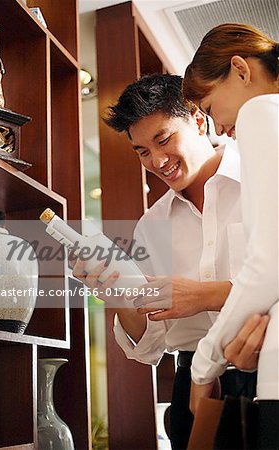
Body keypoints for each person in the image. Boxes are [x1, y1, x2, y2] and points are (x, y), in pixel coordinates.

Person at [73, 74, 257, 449]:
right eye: (142, 151)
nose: (157, 161)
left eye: (163, 139)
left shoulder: (262, 179)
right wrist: (118, 293)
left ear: (199, 120)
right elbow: (148, 348)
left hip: (267, 369)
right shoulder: (152, 225)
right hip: (192, 388)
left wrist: (205, 295)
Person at [183, 23, 279, 448]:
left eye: (209, 105)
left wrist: (203, 367)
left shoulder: (262, 113)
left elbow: (269, 262)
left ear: (241, 69)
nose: (219, 128)